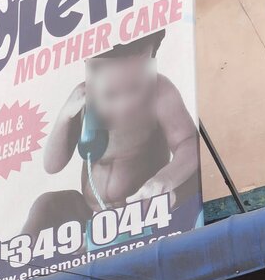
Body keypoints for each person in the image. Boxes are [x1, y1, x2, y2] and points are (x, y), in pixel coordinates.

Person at [21, 30, 200, 244]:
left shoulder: (160, 92)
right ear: (88, 70)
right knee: (47, 203)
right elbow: (52, 165)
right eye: (111, 94)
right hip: (93, 215)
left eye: (135, 87)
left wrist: (164, 180)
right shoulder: (82, 98)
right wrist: (64, 117)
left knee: (192, 180)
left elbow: (190, 143)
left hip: (143, 210)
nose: (124, 103)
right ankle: (22, 262)